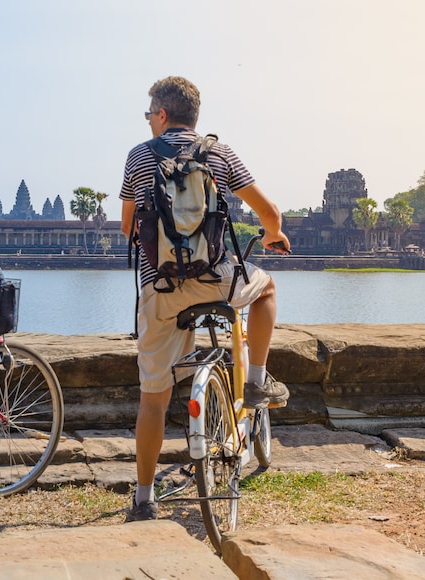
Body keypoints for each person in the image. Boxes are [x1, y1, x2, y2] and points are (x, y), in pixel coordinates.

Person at [119, 76, 291, 521]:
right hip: (216, 280)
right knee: (266, 288)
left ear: (160, 114)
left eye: (148, 114)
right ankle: (255, 379)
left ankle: (143, 498)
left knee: (152, 398)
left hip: (158, 287)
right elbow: (269, 213)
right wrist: (273, 235)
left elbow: (127, 230)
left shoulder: (138, 157)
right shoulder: (218, 153)